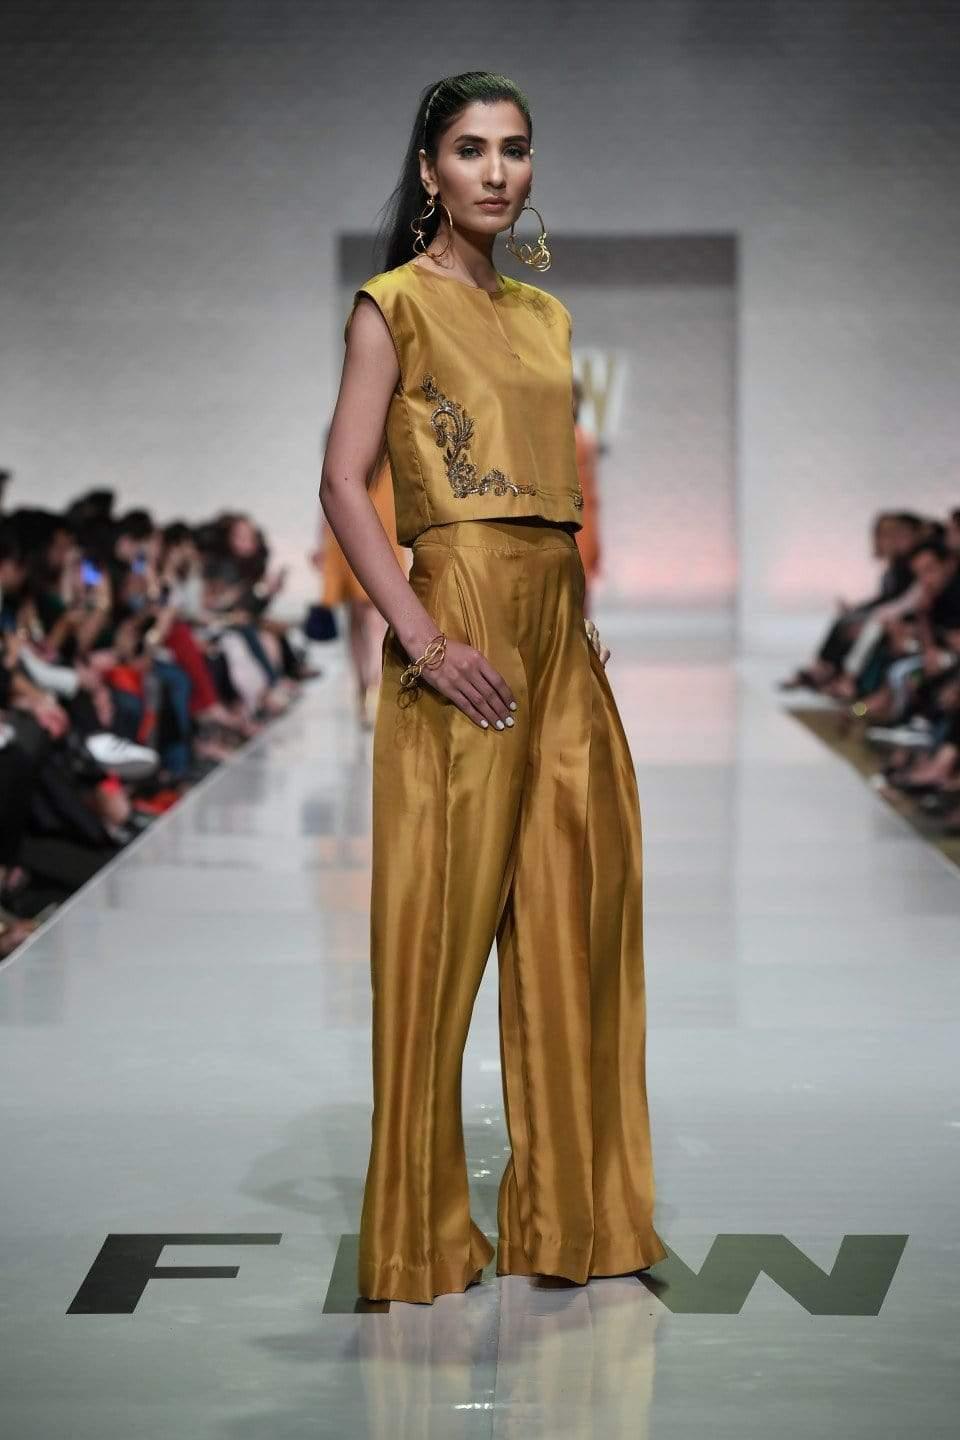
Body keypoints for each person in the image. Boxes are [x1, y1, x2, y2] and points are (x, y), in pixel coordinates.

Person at [320, 70, 667, 1305]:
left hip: (557, 628)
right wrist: (422, 638)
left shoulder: (547, 316)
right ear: (429, 170)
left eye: (514, 149)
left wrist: (572, 625)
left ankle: (576, 1218)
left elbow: (553, 499)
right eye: (470, 149)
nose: (496, 171)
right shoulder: (393, 306)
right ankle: (418, 1233)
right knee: (440, 929)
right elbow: (343, 483)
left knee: (579, 916)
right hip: (458, 617)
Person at [315, 449, 408, 729]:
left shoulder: (390, 444)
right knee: (361, 617)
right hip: (348, 532)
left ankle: (371, 687)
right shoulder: (344, 438)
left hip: (379, 533)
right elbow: (329, 488)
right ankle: (365, 687)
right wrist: (321, 542)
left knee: (372, 616)